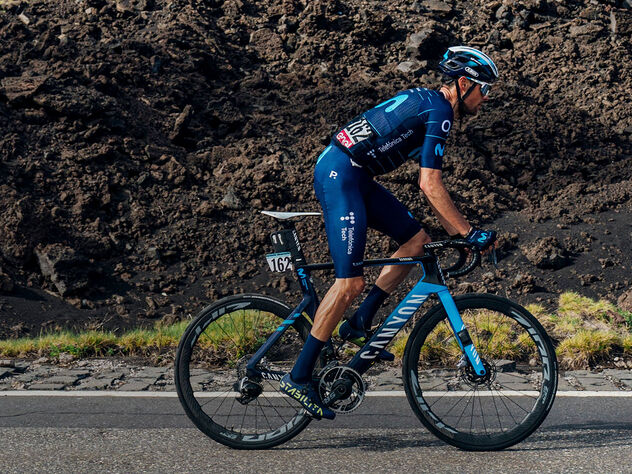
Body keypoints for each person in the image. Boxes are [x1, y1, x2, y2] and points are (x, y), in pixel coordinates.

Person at [280, 46, 499, 420]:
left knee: (417, 242)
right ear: (463, 84)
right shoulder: (441, 111)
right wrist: (469, 232)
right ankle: (299, 376)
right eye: (485, 89)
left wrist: (460, 234)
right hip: (340, 174)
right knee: (349, 283)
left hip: (354, 173)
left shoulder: (431, 102)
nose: (486, 97)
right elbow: (429, 184)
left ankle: (361, 322)